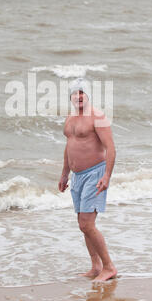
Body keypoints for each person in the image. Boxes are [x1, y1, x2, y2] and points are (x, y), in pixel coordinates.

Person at [58, 78, 117, 282]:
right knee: (82, 223)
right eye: (75, 93)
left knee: (86, 223)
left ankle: (109, 267)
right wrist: (65, 173)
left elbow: (111, 148)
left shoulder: (97, 116)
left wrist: (106, 176)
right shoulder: (70, 118)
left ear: (88, 94)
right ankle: (95, 266)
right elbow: (69, 146)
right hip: (77, 176)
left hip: (95, 173)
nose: (78, 96)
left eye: (82, 92)